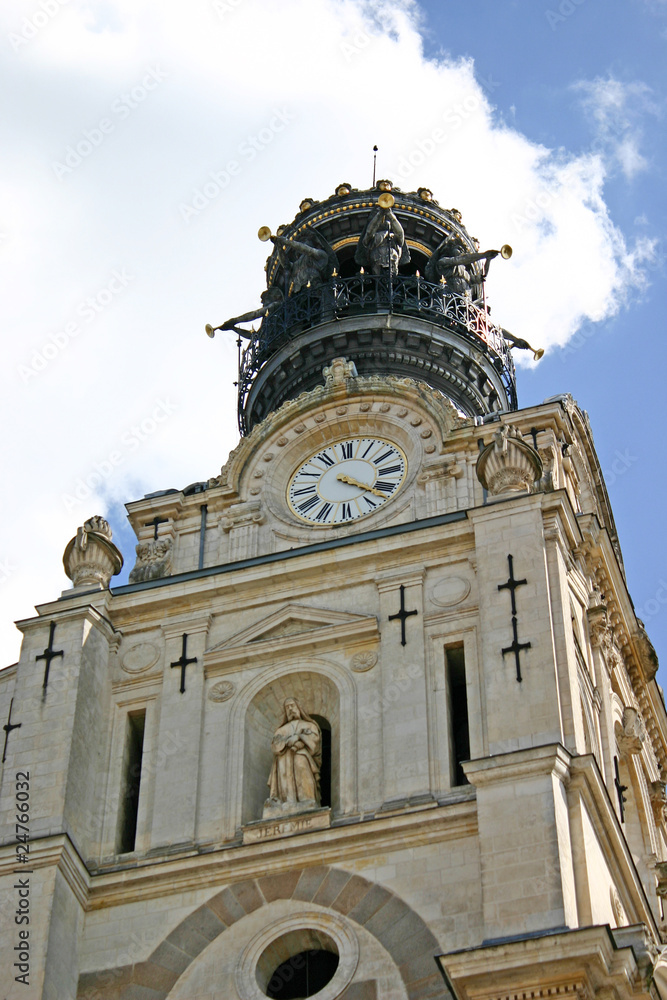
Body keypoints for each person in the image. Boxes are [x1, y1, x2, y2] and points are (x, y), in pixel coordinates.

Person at [264, 697, 322, 816]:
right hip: (283, 758)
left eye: (292, 706)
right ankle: (287, 801)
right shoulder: (281, 729)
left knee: (301, 766)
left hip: (301, 755)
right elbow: (275, 745)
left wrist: (299, 738)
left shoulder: (309, 725)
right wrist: (287, 742)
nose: (290, 709)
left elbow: (315, 740)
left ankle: (307, 799)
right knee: (284, 775)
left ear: (298, 707)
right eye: (287, 707)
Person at [271, 228, 337, 295]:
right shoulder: (297, 264)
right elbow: (285, 264)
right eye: (301, 242)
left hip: (317, 290)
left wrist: (287, 242)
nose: (302, 244)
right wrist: (278, 246)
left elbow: (306, 250)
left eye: (304, 241)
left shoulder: (320, 254)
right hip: (300, 293)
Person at [205, 287, 283, 339]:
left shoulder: (275, 305)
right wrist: (233, 328)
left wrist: (235, 321)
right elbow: (253, 336)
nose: (262, 302)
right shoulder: (267, 318)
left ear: (272, 296)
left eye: (264, 299)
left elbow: (255, 314)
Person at [355, 205, 410, 276]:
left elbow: (400, 233)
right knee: (378, 281)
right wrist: (379, 215)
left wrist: (390, 215)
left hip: (392, 259)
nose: (384, 222)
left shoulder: (394, 239)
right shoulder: (372, 240)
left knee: (391, 280)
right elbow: (369, 231)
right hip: (377, 260)